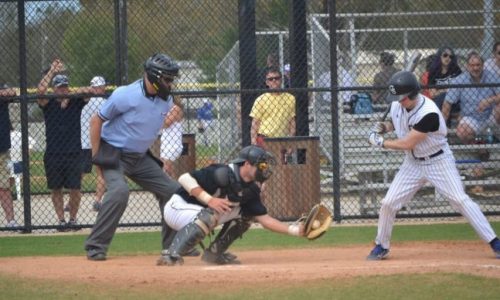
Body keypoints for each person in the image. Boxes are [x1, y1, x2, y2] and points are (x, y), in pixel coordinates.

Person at [366, 70, 500, 260]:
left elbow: (407, 143)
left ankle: (495, 242)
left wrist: (379, 142)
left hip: (438, 161)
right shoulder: (399, 103)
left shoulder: (429, 113)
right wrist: (382, 127)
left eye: (401, 98)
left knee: (460, 200)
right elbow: (395, 122)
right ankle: (382, 245)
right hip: (412, 164)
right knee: (388, 203)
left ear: (413, 95)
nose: (397, 101)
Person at [84, 53, 182, 261]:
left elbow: (148, 126)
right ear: (154, 77)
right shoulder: (125, 94)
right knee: (119, 192)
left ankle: (172, 246)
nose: (170, 84)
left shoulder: (167, 99)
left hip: (140, 157)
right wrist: (96, 158)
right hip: (114, 154)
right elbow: (96, 121)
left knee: (173, 191)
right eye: (167, 79)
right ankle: (96, 246)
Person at [157, 145, 305, 266]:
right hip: (177, 208)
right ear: (246, 164)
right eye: (261, 165)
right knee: (210, 213)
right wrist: (209, 200)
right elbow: (184, 178)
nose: (264, 169)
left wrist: (296, 230)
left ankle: (214, 253)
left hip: (200, 215)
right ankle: (170, 254)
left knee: (247, 215)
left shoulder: (251, 189)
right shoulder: (222, 172)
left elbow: (265, 219)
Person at [37, 59, 93, 231]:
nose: (62, 89)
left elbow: (90, 90)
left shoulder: (75, 102)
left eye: (64, 87)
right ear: (54, 88)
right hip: (54, 152)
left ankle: (73, 220)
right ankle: (61, 220)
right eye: (59, 87)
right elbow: (40, 91)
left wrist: (70, 95)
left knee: (75, 188)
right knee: (56, 188)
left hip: (73, 152)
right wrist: (52, 72)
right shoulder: (48, 104)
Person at [442, 51, 500, 144]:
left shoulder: (491, 76)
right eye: (472, 65)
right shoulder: (460, 80)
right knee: (462, 132)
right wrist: (442, 124)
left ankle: (490, 136)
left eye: (478, 65)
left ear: (483, 65)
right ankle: (479, 143)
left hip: (491, 115)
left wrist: (489, 100)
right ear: (467, 66)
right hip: (470, 118)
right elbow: (448, 102)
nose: (475, 68)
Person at [80, 76, 107, 212]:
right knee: (100, 173)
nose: (104, 89)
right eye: (102, 87)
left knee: (80, 173)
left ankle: (72, 200)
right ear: (100, 88)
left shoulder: (84, 101)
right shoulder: (104, 102)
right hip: (98, 141)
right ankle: (97, 200)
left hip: (84, 142)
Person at [250, 67, 296, 147]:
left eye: (277, 78)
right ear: (267, 82)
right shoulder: (261, 99)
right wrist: (253, 141)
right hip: (264, 138)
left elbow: (292, 122)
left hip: (282, 139)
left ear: (281, 80)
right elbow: (255, 123)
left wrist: (291, 143)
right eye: (270, 79)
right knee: (264, 159)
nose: (274, 81)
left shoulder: (290, 98)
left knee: (280, 159)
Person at [0, 84, 18, 228]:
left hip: (2, 149)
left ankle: (11, 220)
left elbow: (14, 92)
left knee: (4, 186)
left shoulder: (2, 90)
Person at [427, 46, 462, 110]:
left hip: (455, 100)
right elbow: (432, 94)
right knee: (443, 96)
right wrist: (449, 89)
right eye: (445, 55)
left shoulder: (456, 70)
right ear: (439, 56)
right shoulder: (433, 72)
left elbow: (461, 89)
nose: (448, 58)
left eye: (450, 56)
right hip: (439, 101)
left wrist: (440, 91)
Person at [161, 96, 184, 178]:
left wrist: (157, 119)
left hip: (174, 145)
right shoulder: (165, 110)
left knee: (167, 168)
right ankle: (172, 187)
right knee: (166, 168)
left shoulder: (175, 108)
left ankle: (174, 187)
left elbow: (166, 123)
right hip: (166, 144)